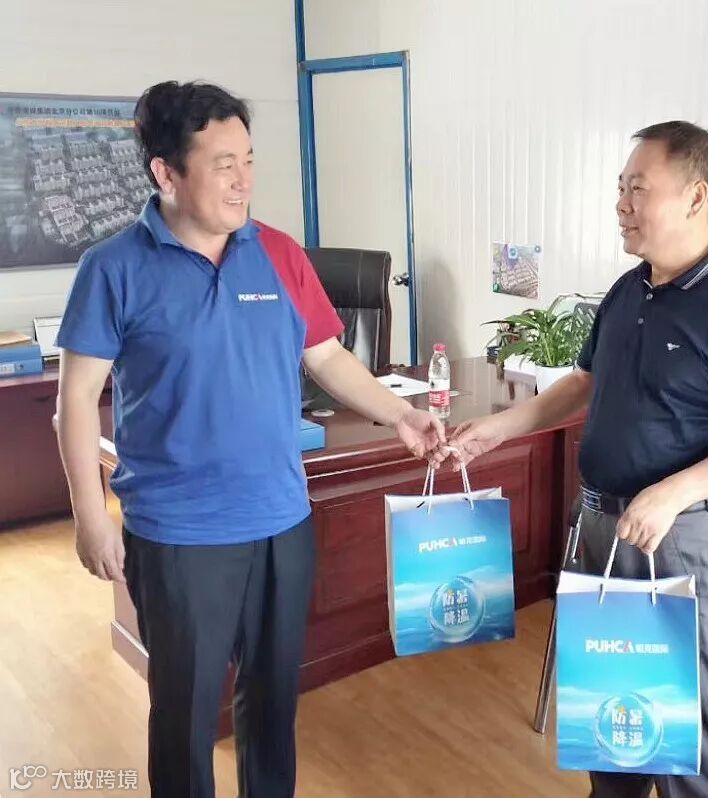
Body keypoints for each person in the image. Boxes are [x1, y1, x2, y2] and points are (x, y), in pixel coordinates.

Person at [54, 80, 445, 798]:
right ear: (166, 173)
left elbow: (327, 357)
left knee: (272, 705)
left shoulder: (279, 253)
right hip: (179, 534)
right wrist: (89, 514)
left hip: (280, 521)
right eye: (223, 164)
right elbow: (75, 399)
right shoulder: (112, 269)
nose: (243, 180)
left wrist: (400, 413)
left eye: (249, 160)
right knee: (185, 716)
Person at [450, 120, 708, 797]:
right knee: (612, 708)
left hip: (679, 536)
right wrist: (496, 431)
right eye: (620, 189)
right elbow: (581, 384)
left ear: (695, 197)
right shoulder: (628, 290)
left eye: (638, 189)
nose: (621, 205)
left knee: (690, 725)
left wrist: (671, 492)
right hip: (601, 525)